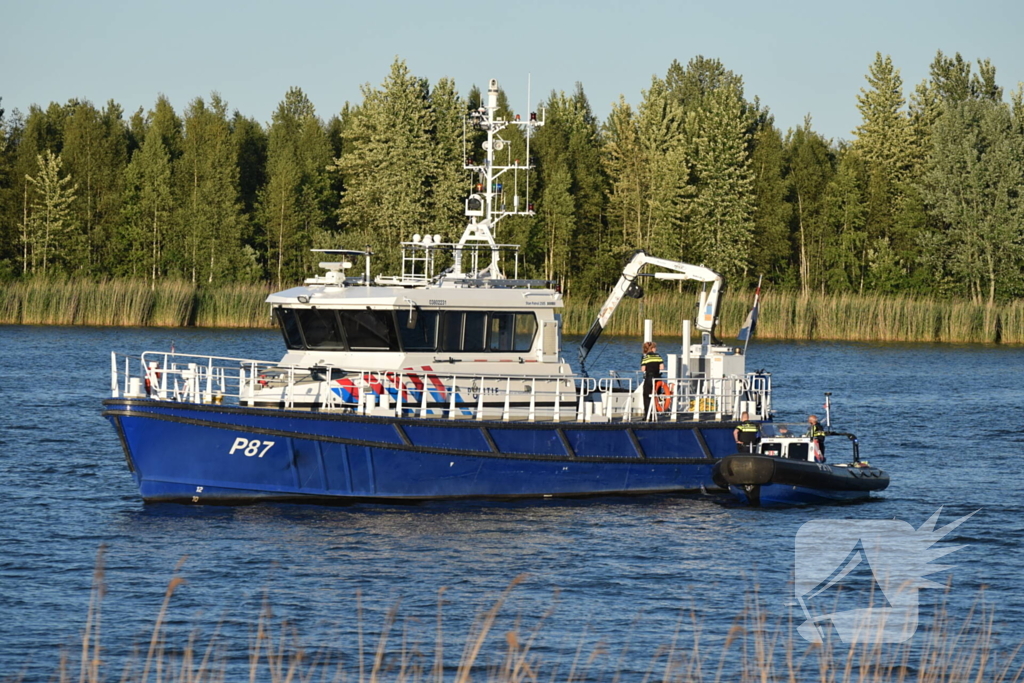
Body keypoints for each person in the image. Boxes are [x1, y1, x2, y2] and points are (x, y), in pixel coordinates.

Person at [640, 341, 663, 418]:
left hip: (649, 378)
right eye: (655, 347)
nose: (656, 349)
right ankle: (656, 412)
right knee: (657, 395)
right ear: (652, 348)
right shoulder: (658, 356)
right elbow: (662, 367)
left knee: (646, 396)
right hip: (658, 378)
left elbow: (643, 369)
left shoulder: (645, 357)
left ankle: (647, 415)